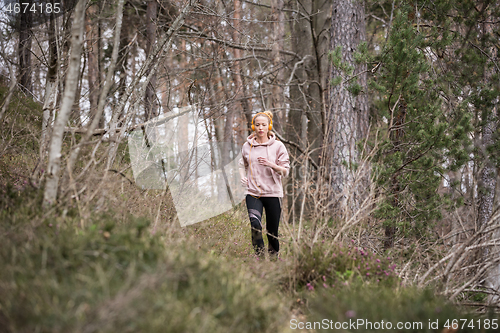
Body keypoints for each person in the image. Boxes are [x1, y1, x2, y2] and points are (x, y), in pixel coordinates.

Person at [238, 111, 290, 258]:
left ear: (269, 126)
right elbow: (242, 165)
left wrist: (271, 164)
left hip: (273, 194)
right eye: (257, 125)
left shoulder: (278, 146)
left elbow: (285, 172)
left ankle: (273, 261)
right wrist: (243, 177)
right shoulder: (247, 146)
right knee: (255, 226)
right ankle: (260, 260)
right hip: (253, 193)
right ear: (253, 126)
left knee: (272, 231)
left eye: (264, 125)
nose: (260, 128)